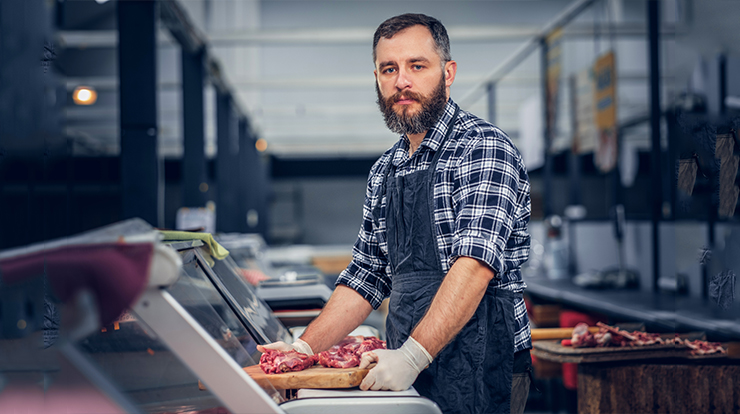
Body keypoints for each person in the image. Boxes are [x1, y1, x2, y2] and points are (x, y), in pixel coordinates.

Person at [258, 13, 532, 414]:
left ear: (448, 72)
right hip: (407, 365)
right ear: (377, 78)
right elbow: (367, 275)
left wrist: (411, 357)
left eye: (417, 66)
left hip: (482, 365)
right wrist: (302, 349)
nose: (402, 80)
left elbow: (474, 265)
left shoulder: (483, 148)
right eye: (389, 69)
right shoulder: (385, 170)